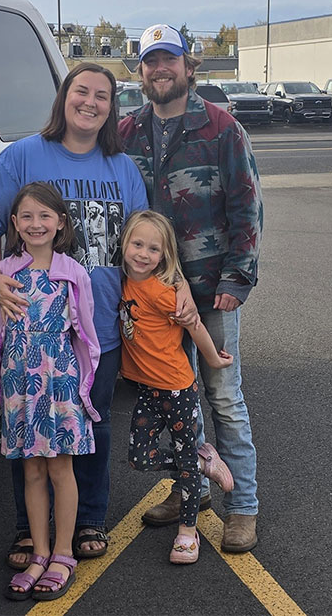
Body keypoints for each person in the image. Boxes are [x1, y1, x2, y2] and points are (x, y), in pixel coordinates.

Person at [0, 62, 194, 564]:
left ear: (113, 109)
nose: (90, 102)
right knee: (26, 425)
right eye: (81, 91)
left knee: (92, 425)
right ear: (63, 98)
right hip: (32, 327)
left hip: (98, 330)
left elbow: (146, 243)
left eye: (102, 96)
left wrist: (179, 290)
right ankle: (29, 529)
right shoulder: (23, 156)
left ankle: (90, 519)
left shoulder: (122, 169)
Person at [119, 24, 263, 553]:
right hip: (154, 296)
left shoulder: (222, 127)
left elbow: (247, 208)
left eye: (169, 59)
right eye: (151, 60)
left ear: (189, 66)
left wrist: (236, 278)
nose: (160, 69)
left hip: (208, 290)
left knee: (224, 398)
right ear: (141, 70)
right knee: (175, 398)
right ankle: (193, 491)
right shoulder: (128, 130)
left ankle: (242, 506)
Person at [0, 183, 99, 600]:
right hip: (20, 381)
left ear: (61, 223)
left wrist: (84, 390)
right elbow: (0, 335)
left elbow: (86, 336)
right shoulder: (4, 271)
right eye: (26, 216)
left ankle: (62, 553)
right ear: (16, 224)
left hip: (58, 379)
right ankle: (38, 552)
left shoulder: (73, 272)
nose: (35, 224)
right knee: (31, 470)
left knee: (60, 468)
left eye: (44, 216)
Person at [119, 210, 234, 564]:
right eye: (137, 244)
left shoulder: (162, 291)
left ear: (164, 256)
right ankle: (202, 461)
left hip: (177, 390)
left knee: (182, 465)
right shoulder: (122, 280)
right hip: (147, 391)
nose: (143, 254)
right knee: (140, 458)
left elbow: (194, 324)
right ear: (124, 244)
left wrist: (213, 359)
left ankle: (187, 532)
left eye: (153, 249)